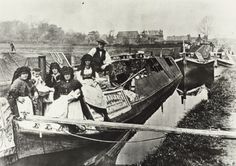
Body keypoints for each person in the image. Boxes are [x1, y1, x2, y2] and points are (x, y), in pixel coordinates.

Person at [75, 54, 111, 121]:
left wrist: (94, 82)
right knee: (86, 91)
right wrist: (85, 83)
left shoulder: (93, 69)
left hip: (93, 83)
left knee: (99, 94)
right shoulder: (81, 70)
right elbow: (79, 79)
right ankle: (91, 107)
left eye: (89, 61)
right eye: (86, 61)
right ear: (84, 61)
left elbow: (97, 78)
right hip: (84, 84)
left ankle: (104, 112)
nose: (87, 62)